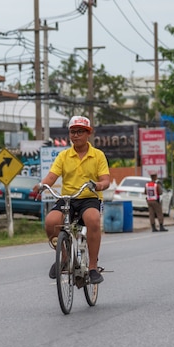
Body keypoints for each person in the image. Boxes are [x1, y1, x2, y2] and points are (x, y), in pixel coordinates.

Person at [33, 116, 110, 285]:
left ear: (88, 133)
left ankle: (92, 267)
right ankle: (65, 258)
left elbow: (106, 181)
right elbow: (52, 177)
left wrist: (97, 185)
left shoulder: (98, 155)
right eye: (73, 132)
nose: (76, 135)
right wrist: (41, 185)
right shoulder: (64, 156)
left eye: (80, 132)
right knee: (51, 221)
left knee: (93, 220)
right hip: (68, 199)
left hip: (89, 197)